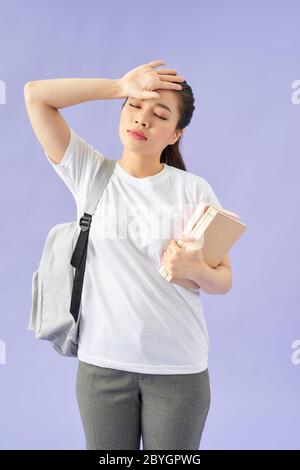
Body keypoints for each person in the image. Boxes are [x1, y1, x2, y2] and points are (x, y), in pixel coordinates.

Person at [24, 60, 232, 450]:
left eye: (160, 114)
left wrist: (197, 269)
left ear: (176, 134)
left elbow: (224, 279)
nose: (142, 119)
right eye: (135, 106)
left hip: (179, 372)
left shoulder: (195, 191)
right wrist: (120, 85)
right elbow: (36, 96)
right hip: (102, 368)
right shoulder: (90, 173)